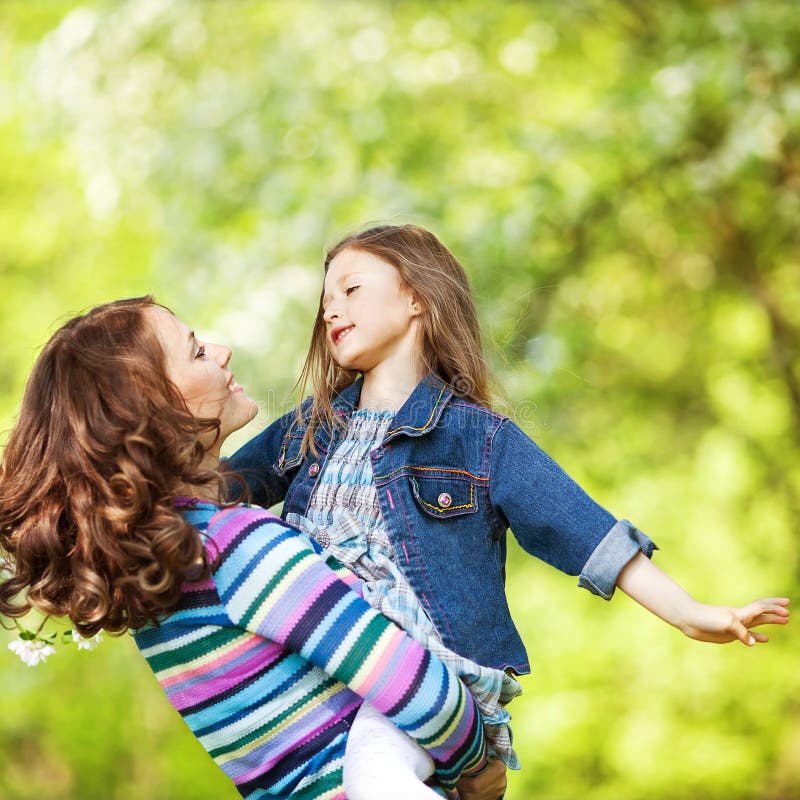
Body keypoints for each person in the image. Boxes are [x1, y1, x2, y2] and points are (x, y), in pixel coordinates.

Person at [228, 223, 791, 794]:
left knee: (377, 775)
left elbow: (584, 531)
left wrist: (692, 613)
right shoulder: (311, 428)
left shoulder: (478, 439)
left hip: (425, 674)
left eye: (350, 290)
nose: (330, 311)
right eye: (324, 301)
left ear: (417, 297)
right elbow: (212, 497)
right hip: (325, 671)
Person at [0, 296, 504, 800]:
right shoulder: (230, 550)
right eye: (197, 352)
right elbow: (419, 689)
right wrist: (477, 762)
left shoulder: (157, 580)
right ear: (153, 411)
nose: (222, 351)